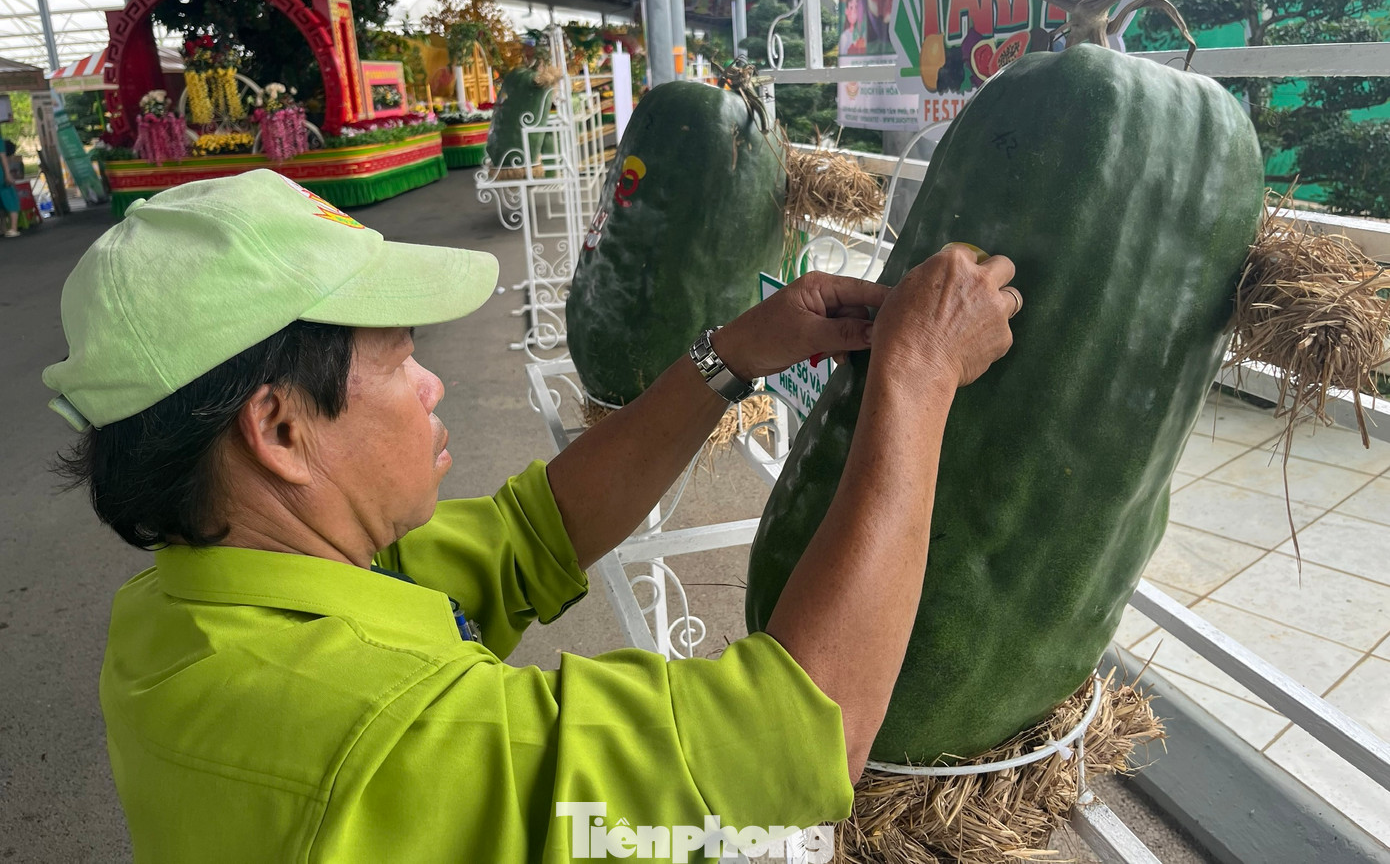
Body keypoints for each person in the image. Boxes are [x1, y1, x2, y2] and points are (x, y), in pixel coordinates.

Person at [46, 169, 1020, 862]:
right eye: (400, 357)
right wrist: (917, 377)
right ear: (281, 429)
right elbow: (799, 733)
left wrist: (729, 356)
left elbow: (531, 533)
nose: (432, 385)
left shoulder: (193, 605)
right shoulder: (374, 738)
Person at [1, 139, 20, 237]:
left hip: (2, 176)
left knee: (4, 202)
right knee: (10, 200)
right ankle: (12, 228)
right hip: (2, 176)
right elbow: (3, 156)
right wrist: (8, 174)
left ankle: (5, 228)